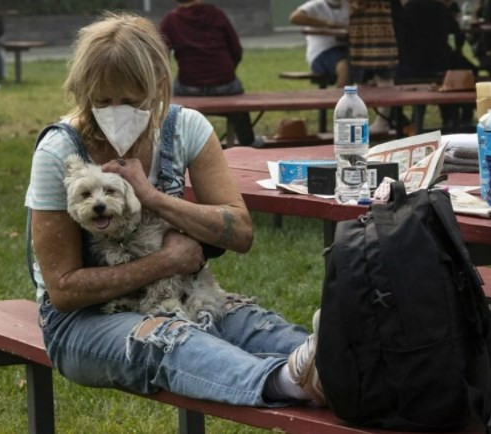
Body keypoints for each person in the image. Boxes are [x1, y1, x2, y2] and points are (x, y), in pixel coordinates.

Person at [25, 13, 324, 409]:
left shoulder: (185, 128)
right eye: (102, 101)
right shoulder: (59, 151)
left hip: (185, 295)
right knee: (170, 342)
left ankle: (346, 367)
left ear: (158, 86)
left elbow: (240, 233)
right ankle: (287, 381)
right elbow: (63, 291)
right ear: (84, 92)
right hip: (86, 320)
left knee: (262, 329)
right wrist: (166, 261)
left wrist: (153, 197)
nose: (116, 110)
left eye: (131, 101)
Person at [159, 0, 263, 147]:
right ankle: (248, 141)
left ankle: (177, 145)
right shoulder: (216, 14)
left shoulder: (171, 20)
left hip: (189, 85)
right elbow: (236, 49)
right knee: (238, 102)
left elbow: (160, 54)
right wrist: (227, 70)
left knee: (174, 101)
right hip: (224, 83)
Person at [393, 0, 477, 130]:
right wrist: (457, 51)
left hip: (410, 65)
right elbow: (459, 36)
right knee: (470, 71)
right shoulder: (440, 8)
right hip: (441, 62)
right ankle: (459, 117)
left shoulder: (407, 9)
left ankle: (400, 120)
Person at [348, 0, 399, 134]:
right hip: (363, 33)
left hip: (381, 33)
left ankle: (382, 122)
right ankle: (357, 123)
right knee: (361, 80)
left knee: (383, 78)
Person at [289, 0, 350, 88]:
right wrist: (326, 23)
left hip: (345, 48)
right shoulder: (316, 5)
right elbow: (295, 18)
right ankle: (339, 99)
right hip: (322, 52)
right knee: (344, 67)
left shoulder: (347, 6)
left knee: (366, 65)